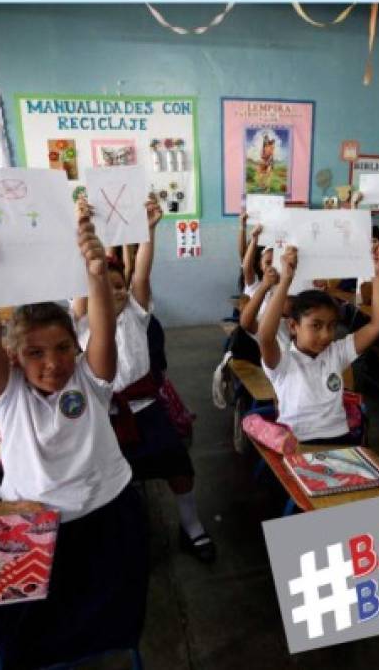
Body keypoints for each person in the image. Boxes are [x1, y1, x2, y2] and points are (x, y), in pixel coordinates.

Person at [0, 199, 148, 668]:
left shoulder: (90, 377)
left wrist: (97, 272)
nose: (53, 363)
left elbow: (102, 325)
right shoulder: (5, 394)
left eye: (63, 348)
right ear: (15, 356)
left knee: (110, 626)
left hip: (106, 513)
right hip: (30, 525)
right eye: (36, 352)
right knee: (20, 641)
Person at [72, 196, 214, 562]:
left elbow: (142, 275)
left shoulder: (136, 314)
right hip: (104, 416)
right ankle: (119, 538)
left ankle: (191, 524)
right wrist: (81, 229)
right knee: (110, 483)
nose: (115, 292)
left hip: (148, 409)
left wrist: (148, 231)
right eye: (106, 286)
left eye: (119, 286)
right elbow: (83, 279)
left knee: (179, 467)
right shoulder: (83, 321)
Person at [257, 242, 379, 443]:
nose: (326, 335)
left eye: (332, 325)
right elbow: (265, 336)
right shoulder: (283, 361)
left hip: (339, 439)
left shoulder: (337, 352)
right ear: (293, 326)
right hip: (297, 442)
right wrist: (285, 281)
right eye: (316, 326)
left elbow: (378, 324)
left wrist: (378, 272)